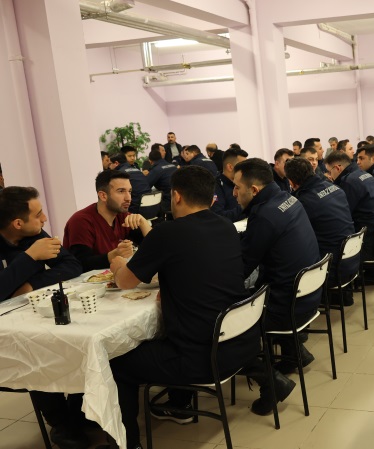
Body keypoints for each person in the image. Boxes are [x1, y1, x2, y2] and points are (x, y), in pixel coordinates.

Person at [104, 167, 261, 449]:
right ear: (211, 198)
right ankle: (179, 403)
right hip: (241, 342)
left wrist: (117, 265)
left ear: (176, 196)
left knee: (115, 361)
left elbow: (126, 282)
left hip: (202, 359)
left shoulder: (168, 233)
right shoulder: (225, 226)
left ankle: (128, 444)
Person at [0, 186, 86, 449]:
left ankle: (78, 414)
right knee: (35, 352)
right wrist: (29, 258)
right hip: (8, 333)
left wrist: (29, 285)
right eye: (38, 214)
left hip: (32, 313)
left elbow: (72, 265)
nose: (45, 219)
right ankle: (61, 423)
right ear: (17, 223)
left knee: (78, 340)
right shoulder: (31, 245)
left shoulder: (34, 234)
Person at [233, 158, 322, 379]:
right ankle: (295, 352)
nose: (234, 193)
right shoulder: (289, 199)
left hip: (287, 307)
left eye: (237, 187)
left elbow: (241, 268)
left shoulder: (265, 215)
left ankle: (269, 380)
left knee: (227, 321)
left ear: (254, 190)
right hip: (309, 295)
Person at [285, 158, 357, 306]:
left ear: (291, 182)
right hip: (352, 259)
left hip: (330, 269)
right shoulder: (335, 187)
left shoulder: (303, 202)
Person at [63, 171, 151, 272]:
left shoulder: (123, 216)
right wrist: (112, 256)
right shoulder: (81, 221)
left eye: (129, 191)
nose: (128, 198)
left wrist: (143, 222)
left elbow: (156, 247)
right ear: (103, 196)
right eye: (121, 191)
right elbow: (80, 263)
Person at [324, 151, 374, 284]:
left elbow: (345, 212)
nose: (329, 176)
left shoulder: (348, 181)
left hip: (369, 238)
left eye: (329, 172)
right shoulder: (364, 174)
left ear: (338, 168)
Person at [211, 147, 248, 222]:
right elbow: (218, 216)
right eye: (243, 166)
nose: (247, 170)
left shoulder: (245, 182)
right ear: (230, 167)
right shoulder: (215, 187)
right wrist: (247, 206)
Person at [113, 148, 150, 214]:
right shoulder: (137, 170)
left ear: (116, 163)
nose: (132, 158)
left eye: (133, 156)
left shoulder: (121, 172)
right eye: (129, 156)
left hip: (135, 209)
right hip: (149, 206)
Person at [144, 148, 177, 217]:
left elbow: (145, 186)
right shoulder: (173, 166)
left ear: (150, 161)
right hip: (180, 198)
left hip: (168, 201)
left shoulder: (156, 170)